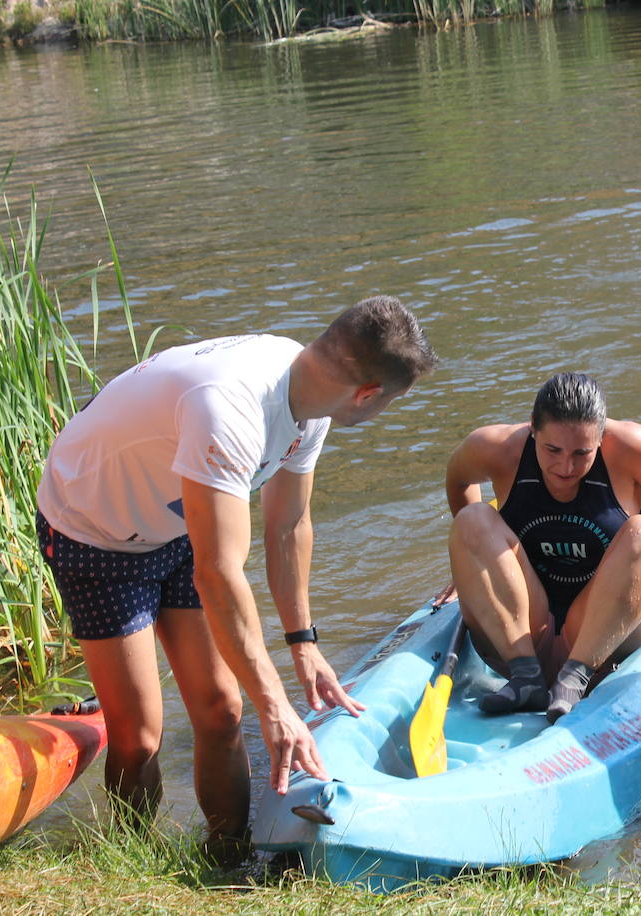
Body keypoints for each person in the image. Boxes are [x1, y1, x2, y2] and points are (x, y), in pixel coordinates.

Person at [35, 295, 437, 849]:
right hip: (96, 530)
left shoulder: (310, 399)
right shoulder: (231, 408)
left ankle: (228, 854)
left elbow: (288, 527)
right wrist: (275, 708)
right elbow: (219, 574)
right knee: (140, 733)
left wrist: (303, 642)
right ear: (368, 394)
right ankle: (132, 858)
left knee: (222, 710)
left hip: (177, 522)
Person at [444, 372, 641, 723]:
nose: (565, 467)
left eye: (581, 453)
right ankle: (526, 677)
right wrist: (473, 564)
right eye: (552, 450)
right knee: (473, 520)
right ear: (532, 430)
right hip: (525, 631)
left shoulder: (633, 447)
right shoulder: (498, 447)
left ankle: (576, 677)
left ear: (601, 439)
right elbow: (458, 477)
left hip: (607, 636)